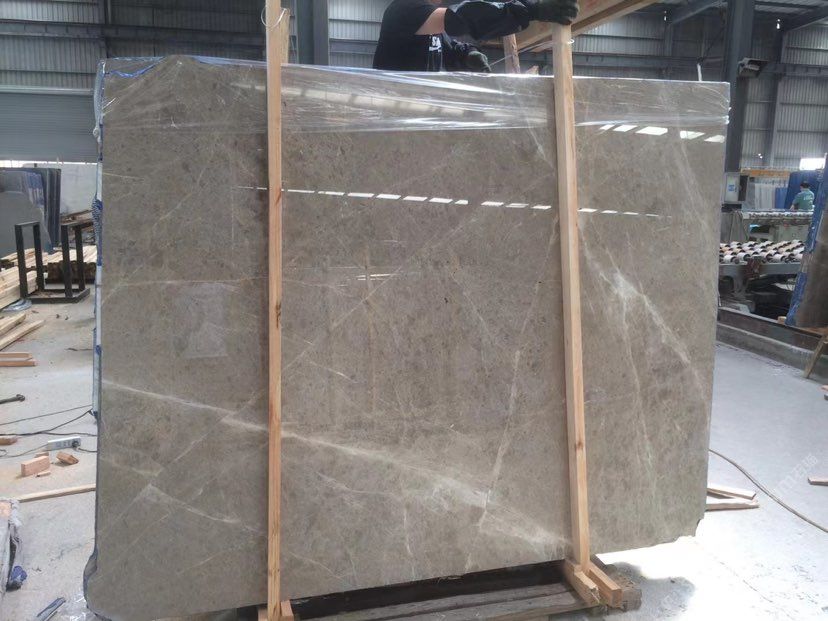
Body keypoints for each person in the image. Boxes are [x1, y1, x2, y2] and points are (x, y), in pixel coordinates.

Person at [373, 0, 579, 72]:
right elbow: (461, 18)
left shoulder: (427, 20)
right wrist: (532, 10)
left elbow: (449, 48)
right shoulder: (404, 9)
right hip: (394, 110)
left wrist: (468, 55)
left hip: (416, 108)